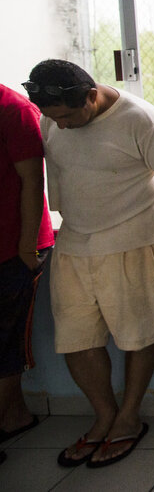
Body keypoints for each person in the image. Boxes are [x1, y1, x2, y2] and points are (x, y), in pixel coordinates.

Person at [26, 59, 154, 468]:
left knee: (139, 333)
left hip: (134, 241)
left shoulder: (141, 120)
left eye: (65, 116)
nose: (58, 126)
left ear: (91, 96)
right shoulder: (52, 120)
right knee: (76, 339)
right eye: (52, 118)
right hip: (75, 243)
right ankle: (104, 417)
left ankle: (129, 419)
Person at [0, 82, 55, 467]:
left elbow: (33, 180)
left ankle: (9, 417)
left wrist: (25, 248)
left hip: (14, 249)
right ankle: (13, 415)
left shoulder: (14, 109)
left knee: (5, 339)